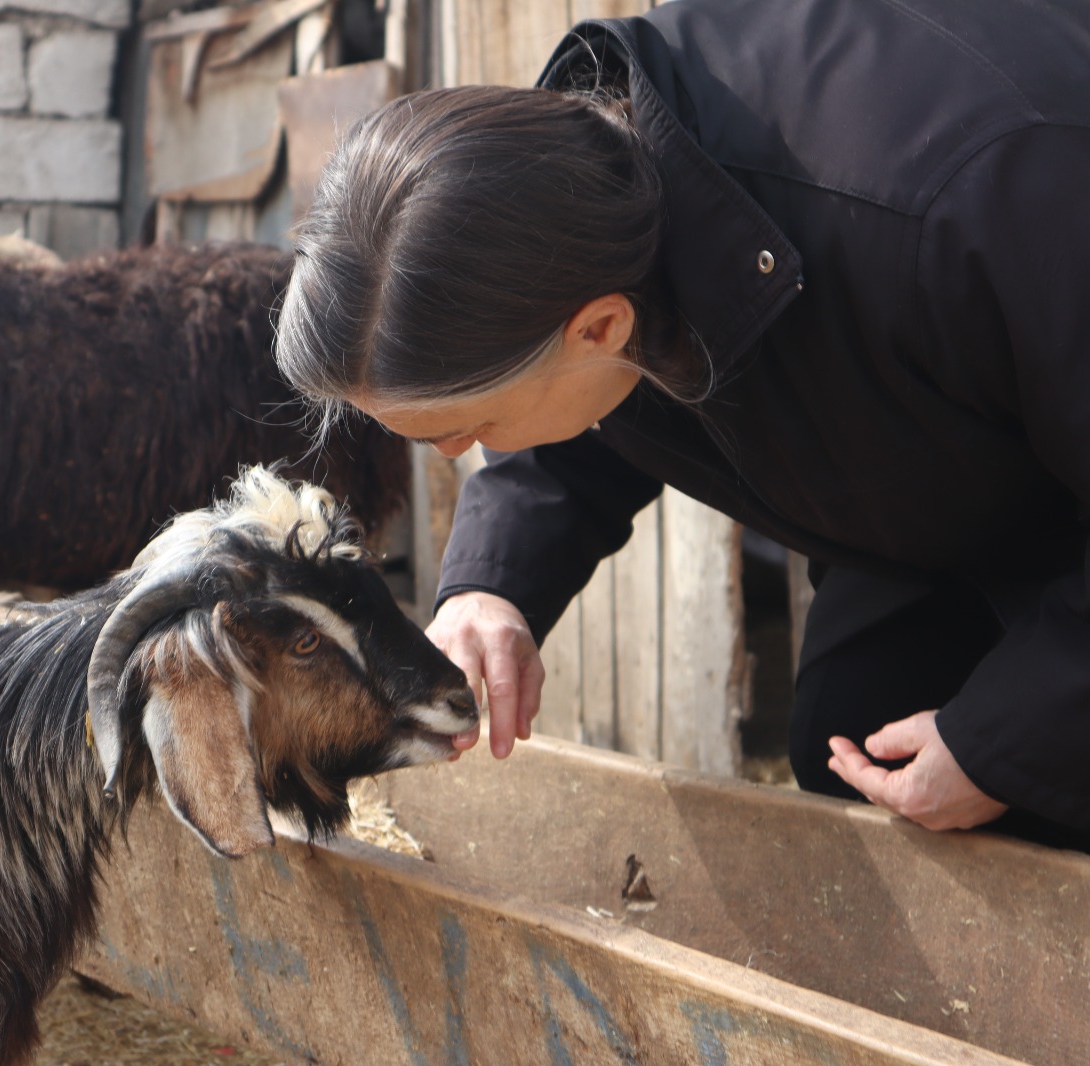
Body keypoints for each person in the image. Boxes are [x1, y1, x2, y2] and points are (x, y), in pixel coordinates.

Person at [273, 0, 1090, 848]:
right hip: (959, 481)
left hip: (1049, 469)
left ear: (600, 328)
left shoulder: (969, 202)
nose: (456, 456)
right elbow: (589, 404)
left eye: (473, 424)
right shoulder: (580, 210)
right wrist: (493, 583)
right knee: (852, 737)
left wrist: (1003, 744)